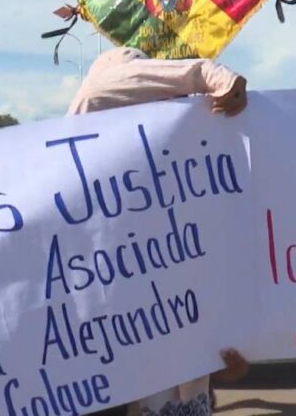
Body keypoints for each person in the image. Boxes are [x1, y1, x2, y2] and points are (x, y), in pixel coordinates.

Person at [68, 47, 249, 416]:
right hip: (129, 270)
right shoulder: (107, 82)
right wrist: (222, 81)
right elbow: (195, 72)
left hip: (138, 268)